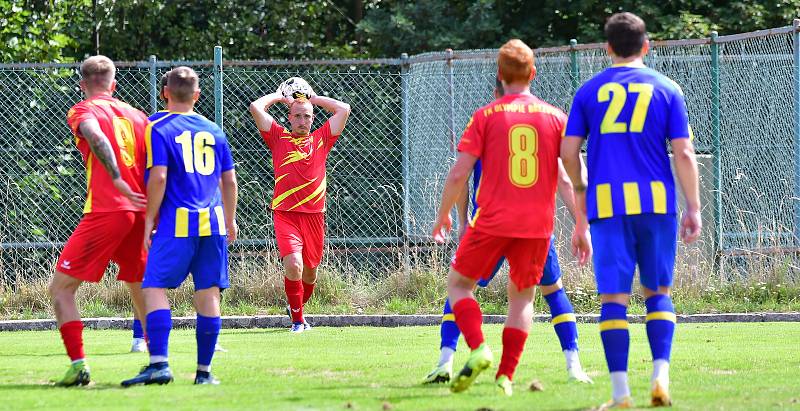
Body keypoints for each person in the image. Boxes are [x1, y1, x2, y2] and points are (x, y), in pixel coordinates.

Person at [561, 12, 702, 409]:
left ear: (607, 48)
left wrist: (581, 197)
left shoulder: (588, 92)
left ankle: (621, 393)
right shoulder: (667, 89)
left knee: (613, 300)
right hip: (657, 202)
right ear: (646, 46)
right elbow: (684, 152)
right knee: (658, 293)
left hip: (607, 205)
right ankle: (660, 377)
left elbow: (569, 153)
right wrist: (693, 206)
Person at [424, 78, 592, 385]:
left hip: (489, 224)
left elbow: (460, 176)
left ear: (496, 92)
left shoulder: (487, 121)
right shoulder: (547, 121)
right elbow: (566, 179)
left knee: (460, 287)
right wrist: (581, 222)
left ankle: (446, 361)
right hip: (533, 225)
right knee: (550, 292)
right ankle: (572, 367)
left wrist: (460, 220)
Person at [121, 66, 238, 386]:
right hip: (213, 224)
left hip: (178, 222)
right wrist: (230, 219)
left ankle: (159, 363)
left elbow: (158, 176)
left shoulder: (159, 127)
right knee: (208, 293)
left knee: (153, 287)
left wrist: (147, 221)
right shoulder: (214, 130)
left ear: (165, 93)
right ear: (198, 96)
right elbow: (229, 181)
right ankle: (204, 373)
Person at [50, 55, 149, 386]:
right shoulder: (138, 115)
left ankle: (79, 367)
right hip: (141, 211)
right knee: (141, 288)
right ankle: (159, 361)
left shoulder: (82, 110)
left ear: (82, 84)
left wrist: (117, 177)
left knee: (61, 289)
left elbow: (96, 136)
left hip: (108, 209)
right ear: (114, 84)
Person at [249, 79, 350, 333]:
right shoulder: (278, 137)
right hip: (286, 214)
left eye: (307, 116)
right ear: (289, 118)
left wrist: (311, 98)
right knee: (294, 264)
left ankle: (296, 308)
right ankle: (298, 321)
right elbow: (255, 107)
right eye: (297, 116)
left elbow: (344, 109)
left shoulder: (321, 139)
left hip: (315, 215)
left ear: (312, 119)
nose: (302, 120)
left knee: (310, 273)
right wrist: (281, 96)